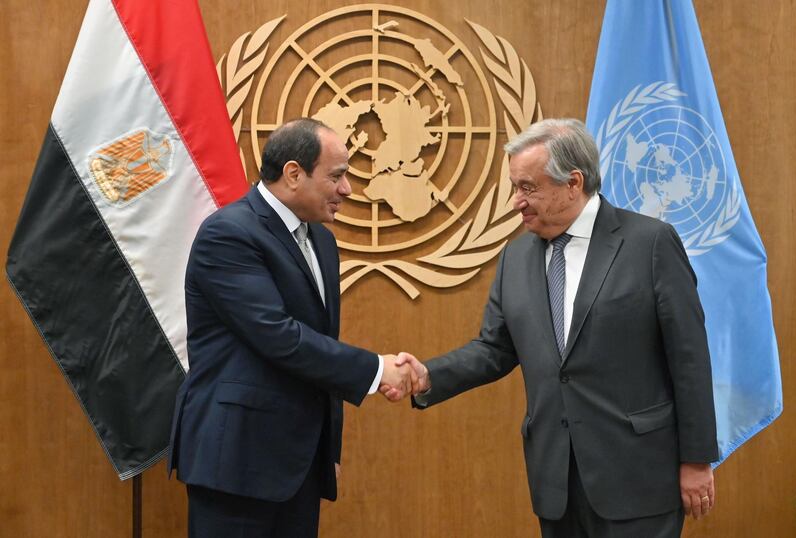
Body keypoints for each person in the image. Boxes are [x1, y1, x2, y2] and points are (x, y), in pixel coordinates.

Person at [387, 118, 718, 537]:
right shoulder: (516, 258)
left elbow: (689, 356)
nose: (516, 202)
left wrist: (696, 460)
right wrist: (427, 376)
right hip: (556, 479)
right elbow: (494, 349)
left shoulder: (649, 243)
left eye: (528, 187)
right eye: (514, 187)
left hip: (638, 476)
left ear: (573, 183)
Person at [168, 118, 418, 538]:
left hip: (298, 464)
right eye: (337, 176)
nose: (347, 190)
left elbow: (321, 343)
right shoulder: (228, 234)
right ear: (293, 174)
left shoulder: (321, 241)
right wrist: (376, 370)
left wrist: (328, 448)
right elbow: (280, 337)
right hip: (236, 461)